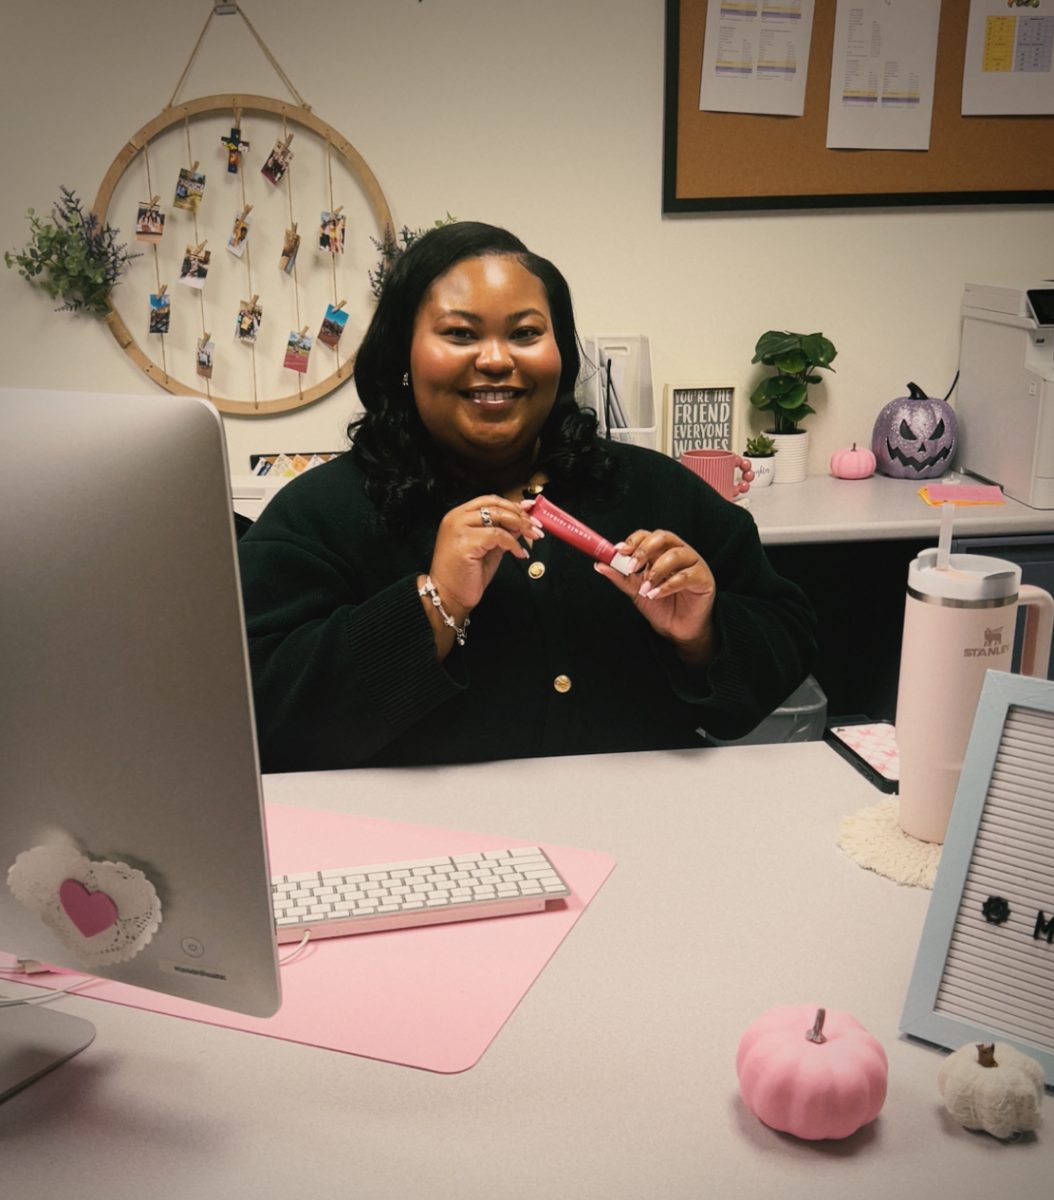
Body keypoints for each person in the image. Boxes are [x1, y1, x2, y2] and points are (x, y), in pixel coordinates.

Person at [238, 221, 816, 772]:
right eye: (460, 333)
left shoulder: (651, 488)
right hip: (425, 850)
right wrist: (435, 605)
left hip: (646, 829)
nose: (495, 359)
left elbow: (786, 639)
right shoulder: (322, 513)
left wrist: (702, 633)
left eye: (525, 333)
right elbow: (258, 714)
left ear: (560, 355)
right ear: (403, 357)